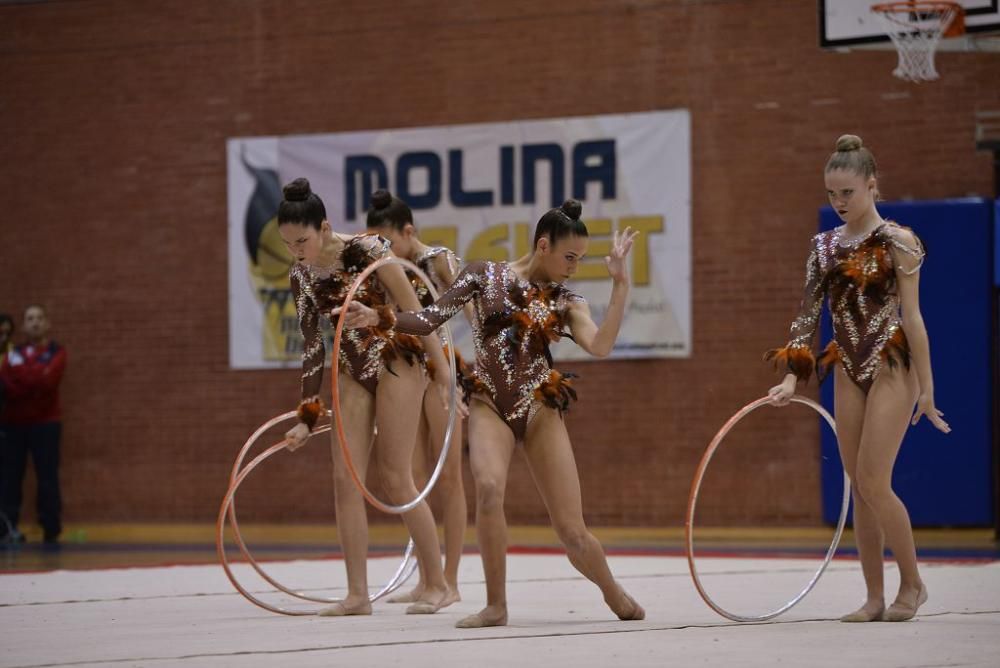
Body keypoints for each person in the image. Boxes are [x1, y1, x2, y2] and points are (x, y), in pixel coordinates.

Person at [336, 199, 645, 628]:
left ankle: (614, 592)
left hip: (538, 406)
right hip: (488, 404)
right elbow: (429, 319)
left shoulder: (565, 300)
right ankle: (495, 605)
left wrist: (620, 286)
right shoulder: (484, 274)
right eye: (569, 257)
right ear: (543, 245)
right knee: (487, 488)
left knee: (572, 532)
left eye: (581, 259)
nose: (574, 267)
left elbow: (601, 345)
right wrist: (379, 315)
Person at [765, 135, 950, 623]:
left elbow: (913, 317)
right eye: (831, 194)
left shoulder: (899, 242)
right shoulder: (823, 247)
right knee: (858, 484)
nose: (839, 202)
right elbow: (806, 318)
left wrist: (927, 388)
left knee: (873, 479)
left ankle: (913, 584)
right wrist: (791, 379)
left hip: (893, 362)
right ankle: (873, 596)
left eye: (848, 192)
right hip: (847, 365)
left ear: (872, 186)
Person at [277, 177, 453, 616]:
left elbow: (419, 311)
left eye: (303, 240)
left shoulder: (371, 250)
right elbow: (313, 345)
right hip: (351, 367)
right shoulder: (300, 274)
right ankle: (357, 595)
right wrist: (305, 414)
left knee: (395, 477)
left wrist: (444, 370)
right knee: (345, 479)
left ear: (324, 226)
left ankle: (439, 583)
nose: (297, 251)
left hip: (397, 355)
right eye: (288, 244)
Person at [365, 189, 471, 607]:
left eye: (385, 241)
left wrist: (463, 377)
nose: (378, 249)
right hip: (409, 368)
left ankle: (451, 579)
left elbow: (475, 314)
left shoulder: (438, 261)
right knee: (412, 475)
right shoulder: (383, 268)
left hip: (443, 366)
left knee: (448, 478)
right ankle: (428, 576)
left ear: (408, 231)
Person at [0, 305, 67, 546]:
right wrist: (32, 377)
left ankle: (50, 528)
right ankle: (8, 527)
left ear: (47, 323)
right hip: (14, 424)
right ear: (24, 325)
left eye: (39, 318)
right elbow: (7, 380)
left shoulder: (57, 352)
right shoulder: (13, 353)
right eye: (30, 319)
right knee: (10, 478)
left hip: (45, 423)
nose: (35, 322)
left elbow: (47, 381)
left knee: (47, 476)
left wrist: (26, 377)